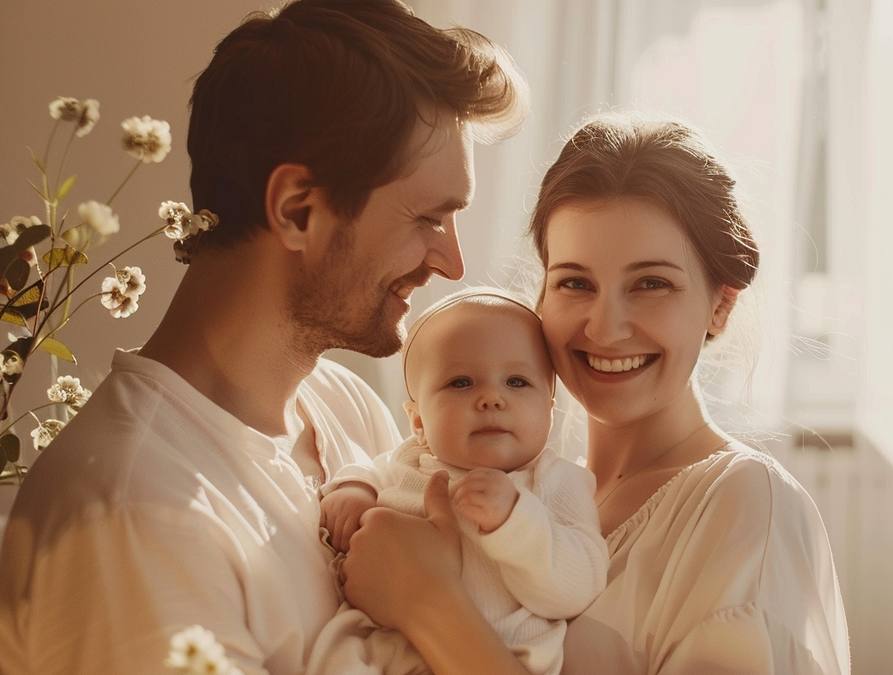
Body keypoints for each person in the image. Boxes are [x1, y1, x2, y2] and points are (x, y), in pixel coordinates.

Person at [0, 1, 527, 673]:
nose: (451, 263)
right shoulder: (136, 518)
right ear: (297, 210)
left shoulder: (348, 410)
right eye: (428, 217)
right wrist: (433, 607)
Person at [341, 114, 852, 673]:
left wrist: (429, 606)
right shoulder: (537, 486)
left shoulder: (746, 505)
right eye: (575, 283)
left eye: (651, 283)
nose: (605, 330)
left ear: (719, 304)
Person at [308, 288, 606, 675]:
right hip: (378, 652)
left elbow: (578, 588)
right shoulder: (408, 460)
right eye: (461, 383)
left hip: (494, 654)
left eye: (516, 382)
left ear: (549, 410)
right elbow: (371, 469)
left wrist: (516, 522)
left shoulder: (556, 481)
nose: (491, 398)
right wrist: (353, 489)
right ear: (417, 421)